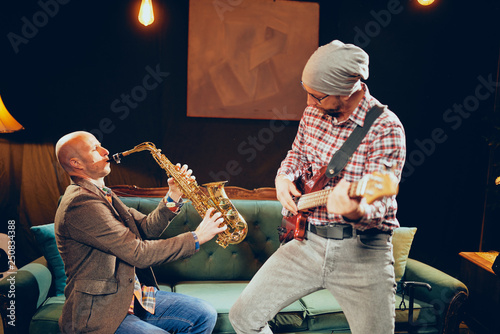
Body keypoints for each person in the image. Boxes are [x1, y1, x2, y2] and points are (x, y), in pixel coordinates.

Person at [229, 40, 406, 333]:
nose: (310, 103)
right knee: (243, 316)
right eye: (307, 93)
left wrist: (354, 209)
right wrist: (283, 178)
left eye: (318, 96)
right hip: (307, 244)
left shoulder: (386, 128)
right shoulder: (312, 114)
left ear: (346, 90)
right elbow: (297, 155)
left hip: (362, 254)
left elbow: (380, 205)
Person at [54, 131, 227, 334]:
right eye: (95, 148)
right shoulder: (81, 203)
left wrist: (173, 195)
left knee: (203, 314)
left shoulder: (103, 194)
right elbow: (139, 253)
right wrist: (196, 237)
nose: (105, 151)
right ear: (76, 163)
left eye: (101, 145)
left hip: (130, 297)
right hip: (101, 311)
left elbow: (145, 228)